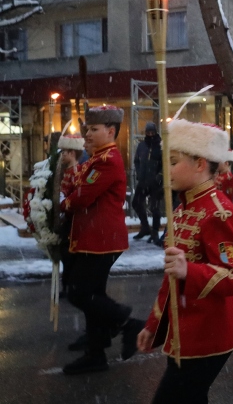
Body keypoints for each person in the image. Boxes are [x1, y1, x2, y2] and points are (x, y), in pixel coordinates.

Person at [136, 118, 233, 403]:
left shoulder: (220, 213)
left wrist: (191, 270)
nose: (166, 169)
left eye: (173, 161)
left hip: (210, 332)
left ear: (200, 164)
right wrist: (153, 324)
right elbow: (171, 278)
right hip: (185, 331)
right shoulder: (183, 210)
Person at [61, 105, 145, 375]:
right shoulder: (97, 159)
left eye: (94, 129)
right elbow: (74, 184)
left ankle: (127, 322)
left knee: (80, 292)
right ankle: (96, 352)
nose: (88, 133)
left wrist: (62, 205)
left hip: (101, 239)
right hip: (92, 238)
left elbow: (82, 197)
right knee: (91, 294)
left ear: (111, 131)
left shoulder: (107, 160)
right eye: (88, 129)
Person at [56, 133, 84, 298]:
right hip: (65, 217)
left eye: (65, 152)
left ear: (72, 153)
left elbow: (75, 197)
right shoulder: (66, 171)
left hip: (72, 220)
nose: (62, 155)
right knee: (65, 255)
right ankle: (67, 286)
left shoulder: (77, 172)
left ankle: (71, 287)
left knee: (69, 255)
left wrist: (63, 204)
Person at [132, 122, 163, 244]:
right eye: (148, 132)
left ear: (155, 132)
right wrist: (139, 173)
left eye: (152, 132)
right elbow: (136, 161)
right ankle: (145, 227)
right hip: (144, 180)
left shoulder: (160, 145)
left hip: (155, 182)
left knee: (155, 207)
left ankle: (155, 231)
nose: (150, 134)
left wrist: (159, 176)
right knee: (136, 203)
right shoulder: (141, 146)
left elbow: (164, 163)